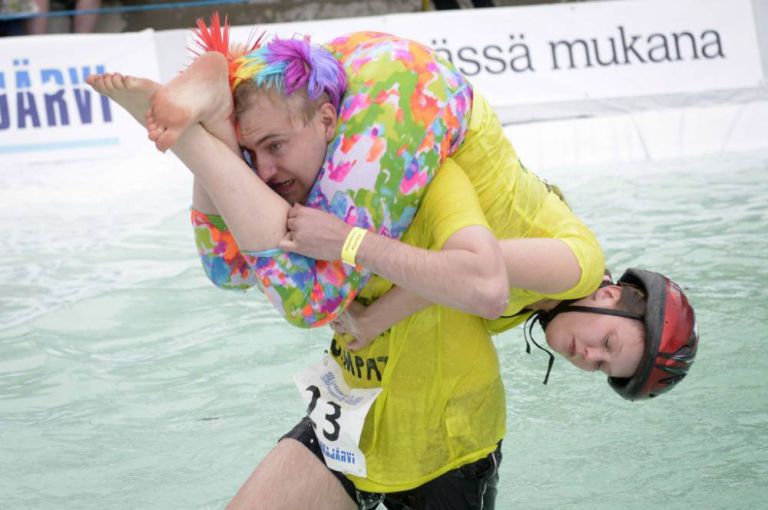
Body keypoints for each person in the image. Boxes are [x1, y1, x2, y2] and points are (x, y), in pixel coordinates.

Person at [86, 21, 699, 510]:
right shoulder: (571, 260)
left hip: (416, 433)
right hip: (387, 426)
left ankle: (210, 124)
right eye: (608, 345)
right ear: (616, 296)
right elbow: (481, 279)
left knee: (241, 265)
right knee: (301, 292)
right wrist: (356, 263)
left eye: (600, 367)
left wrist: (375, 304)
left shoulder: (513, 287)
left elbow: (453, 283)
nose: (587, 358)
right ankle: (197, 131)